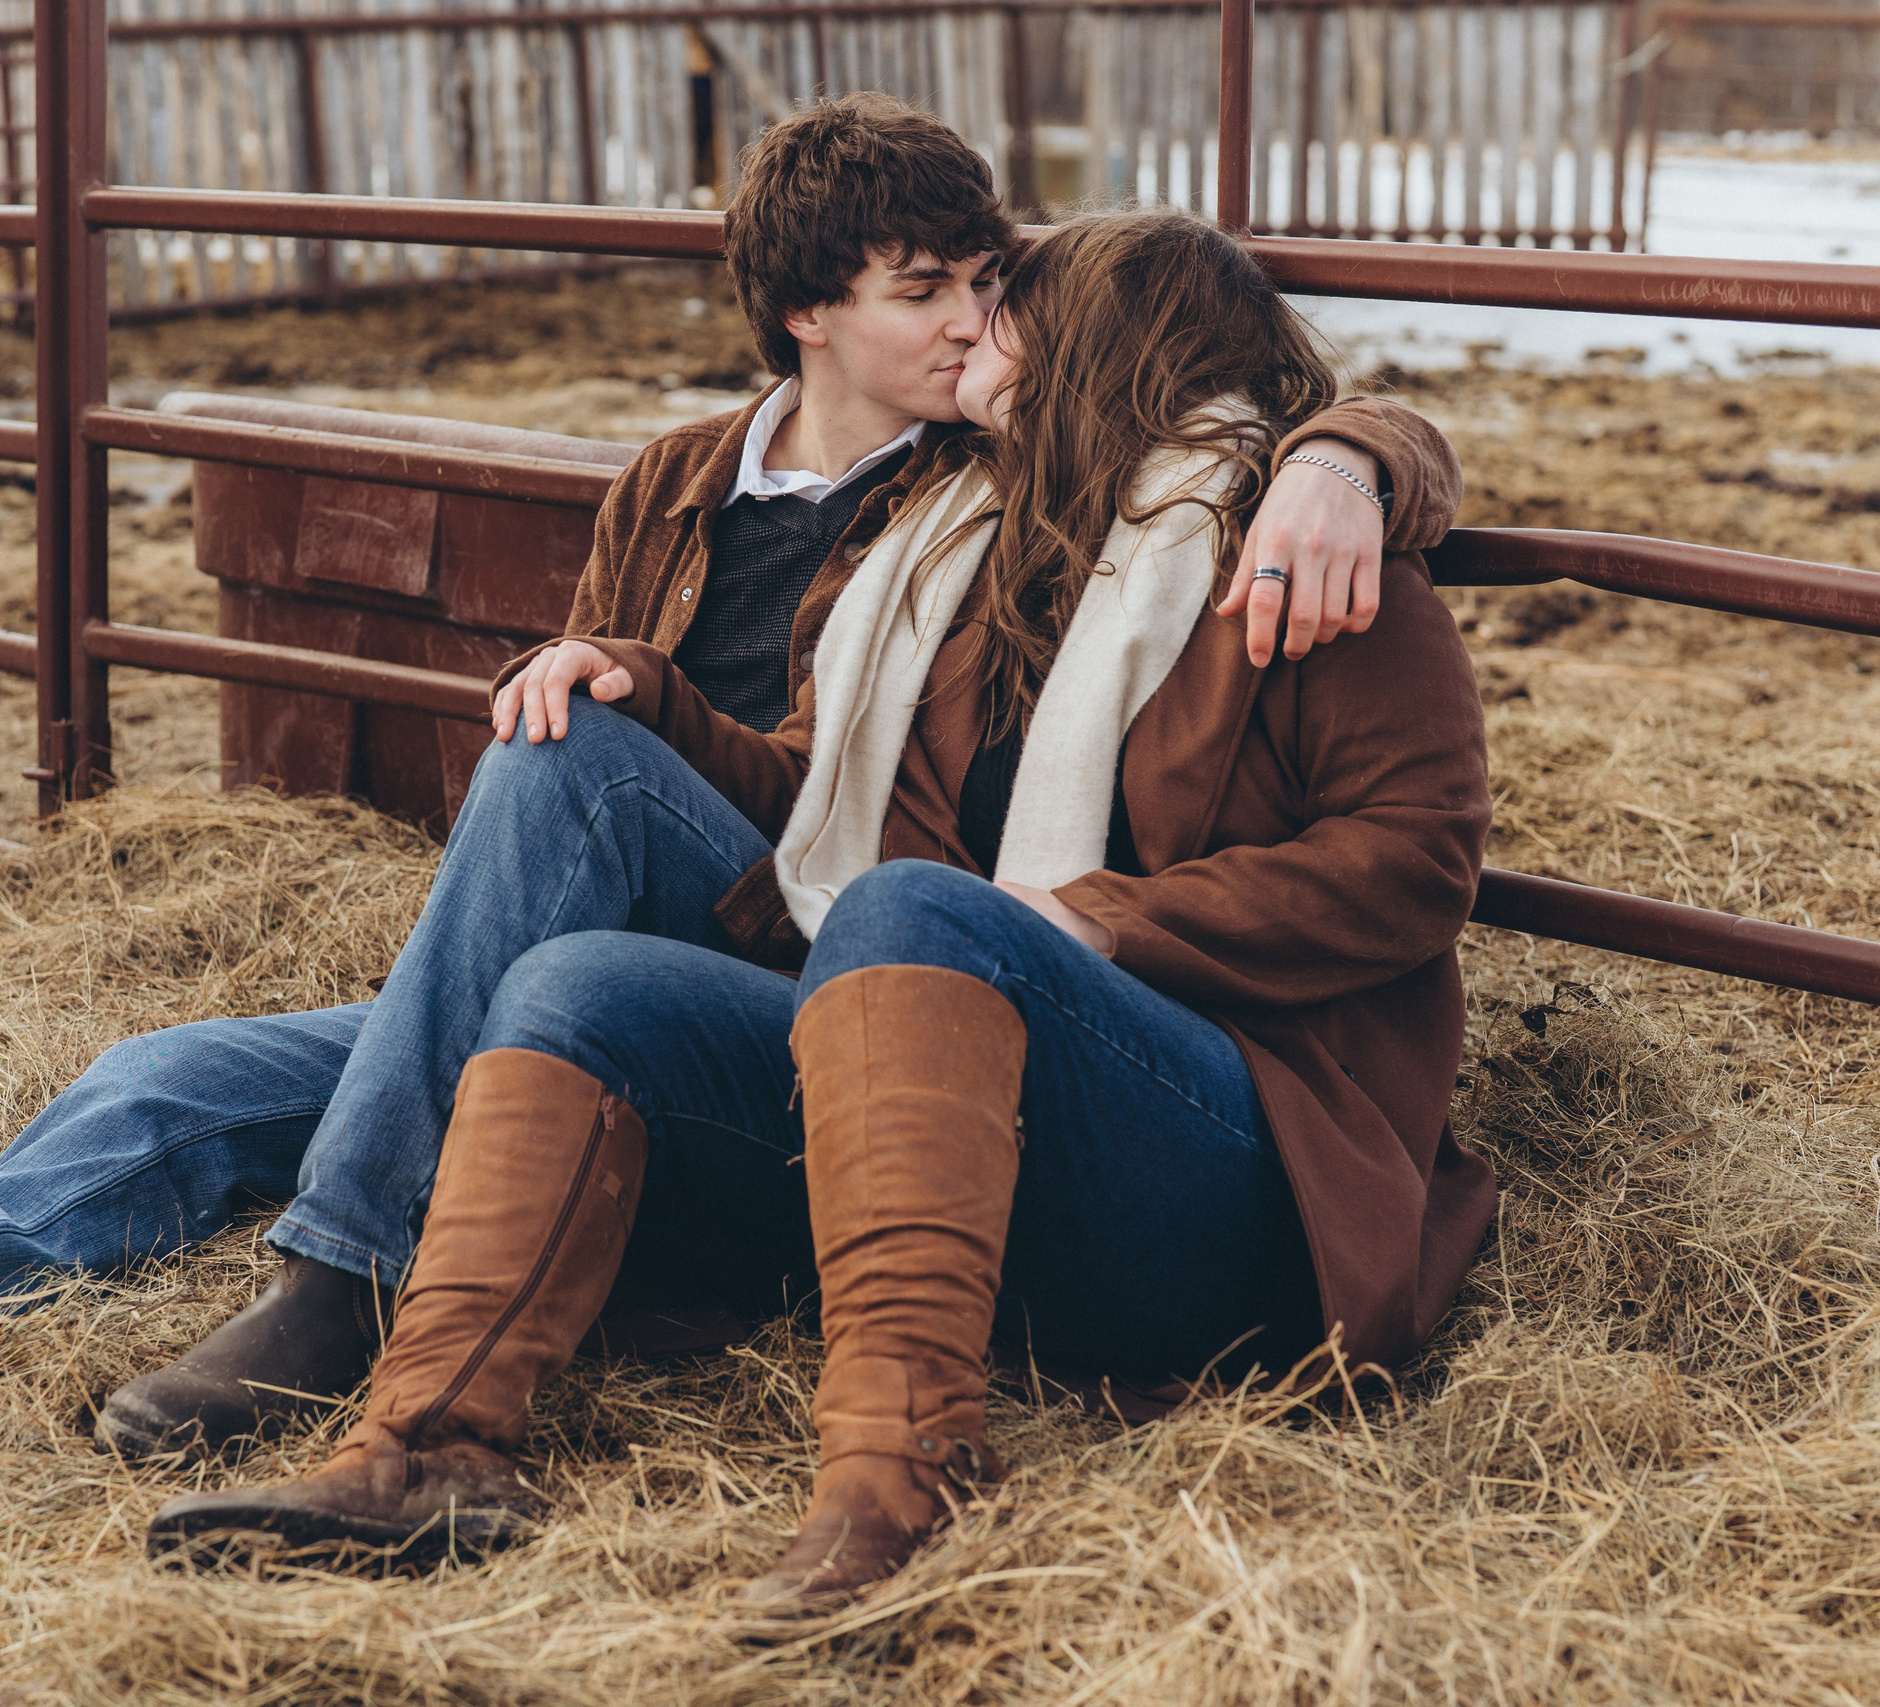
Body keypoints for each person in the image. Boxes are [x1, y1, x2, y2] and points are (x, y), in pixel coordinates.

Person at [0, 101, 1442, 1487]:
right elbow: (681, 755)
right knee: (180, 1060)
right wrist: (627, 674)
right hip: (607, 938)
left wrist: (1350, 452)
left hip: (769, 958)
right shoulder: (673, 477)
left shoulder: (992, 497)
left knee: (558, 780)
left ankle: (347, 1283)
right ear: (804, 311)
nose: (965, 323)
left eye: (984, 288)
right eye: (925, 288)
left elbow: (1286, 408)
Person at [147, 208, 1496, 1618]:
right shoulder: (974, 548)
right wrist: (652, 701)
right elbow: (818, 805)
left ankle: (897, 1488)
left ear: (1098, 347)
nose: (977, 327)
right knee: (578, 986)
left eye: (1010, 308)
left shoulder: (1300, 560)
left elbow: (1417, 860)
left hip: (1227, 1155)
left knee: (923, 912)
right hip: (957, 1106)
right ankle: (428, 1448)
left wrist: (1100, 922)